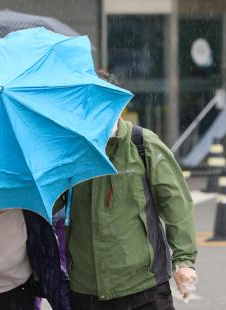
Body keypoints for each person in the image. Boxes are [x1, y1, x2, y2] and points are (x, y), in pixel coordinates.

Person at [62, 117, 198, 309]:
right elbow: (51, 203)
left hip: (144, 285)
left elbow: (176, 204)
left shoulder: (142, 143)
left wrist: (184, 261)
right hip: (86, 289)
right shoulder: (70, 150)